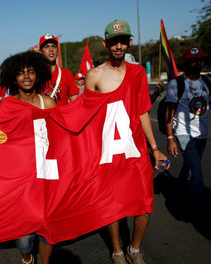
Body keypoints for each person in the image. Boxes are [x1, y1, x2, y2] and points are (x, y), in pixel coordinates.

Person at [85, 20, 169, 264]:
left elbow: (143, 111)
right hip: (108, 152)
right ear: (105, 43)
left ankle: (134, 248)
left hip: (135, 150)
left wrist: (155, 149)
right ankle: (117, 251)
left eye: (123, 41)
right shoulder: (94, 75)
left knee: (144, 204)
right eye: (113, 41)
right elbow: (86, 117)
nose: (118, 45)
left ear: (129, 43)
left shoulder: (138, 73)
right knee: (112, 204)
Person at [0, 51, 56, 264]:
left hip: (47, 174)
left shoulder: (48, 103)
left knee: (47, 229)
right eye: (21, 73)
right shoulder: (6, 107)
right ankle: (27, 258)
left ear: (38, 74)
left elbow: (61, 138)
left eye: (31, 72)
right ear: (13, 78)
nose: (27, 77)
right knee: (23, 239)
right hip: (20, 179)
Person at [165, 46, 210, 220]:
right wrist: (170, 138)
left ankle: (180, 195)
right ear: (187, 64)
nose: (198, 63)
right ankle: (202, 213)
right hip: (184, 134)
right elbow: (170, 113)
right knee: (197, 173)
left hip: (202, 134)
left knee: (189, 168)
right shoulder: (177, 84)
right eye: (193, 61)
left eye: (200, 60)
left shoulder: (206, 83)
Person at [38, 33, 79, 105]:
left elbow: (75, 102)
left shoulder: (66, 73)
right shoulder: (35, 75)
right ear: (40, 52)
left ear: (57, 50)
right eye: (47, 47)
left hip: (62, 116)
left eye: (53, 46)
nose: (51, 49)